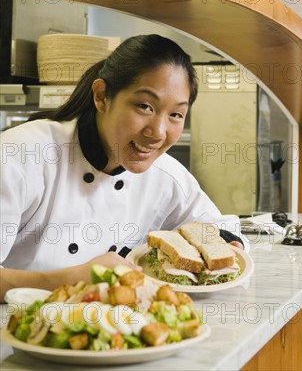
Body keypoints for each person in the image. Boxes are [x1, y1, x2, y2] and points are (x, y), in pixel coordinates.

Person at [0, 34, 244, 301]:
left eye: (176, 114)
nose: (158, 132)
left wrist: (221, 250)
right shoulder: (21, 155)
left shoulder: (164, 175)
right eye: (145, 106)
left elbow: (216, 226)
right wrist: (69, 281)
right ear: (102, 96)